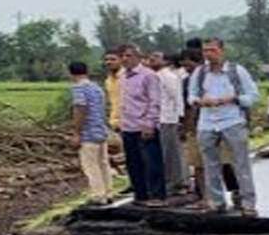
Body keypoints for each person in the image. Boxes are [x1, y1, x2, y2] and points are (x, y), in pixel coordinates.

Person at [188, 37, 260, 216]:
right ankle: (216, 201)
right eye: (205, 51)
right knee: (210, 164)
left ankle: (248, 203)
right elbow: (191, 95)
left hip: (232, 120)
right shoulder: (200, 72)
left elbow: (252, 96)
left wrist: (232, 98)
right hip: (207, 121)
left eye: (212, 50)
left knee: (240, 163)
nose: (209, 54)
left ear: (222, 51)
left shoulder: (236, 71)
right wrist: (199, 101)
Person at [116, 44, 166, 206]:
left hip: (144, 125)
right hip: (128, 125)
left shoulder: (148, 76)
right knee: (133, 163)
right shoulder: (122, 76)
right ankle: (141, 195)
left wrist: (150, 123)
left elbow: (154, 101)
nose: (125, 59)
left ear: (138, 57)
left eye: (129, 55)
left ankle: (157, 195)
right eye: (122, 56)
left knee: (151, 162)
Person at [68, 61, 111, 204]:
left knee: (90, 165)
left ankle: (98, 195)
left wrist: (76, 132)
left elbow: (80, 109)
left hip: (88, 133)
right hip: (100, 129)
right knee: (103, 163)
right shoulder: (97, 88)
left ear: (71, 74)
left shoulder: (78, 88)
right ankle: (108, 192)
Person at [154, 51, 187, 194]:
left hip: (168, 118)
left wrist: (180, 117)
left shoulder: (168, 77)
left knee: (170, 152)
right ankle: (175, 182)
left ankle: (176, 182)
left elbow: (177, 97)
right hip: (160, 118)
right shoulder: (156, 76)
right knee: (166, 152)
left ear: (166, 61)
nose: (151, 60)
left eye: (156, 58)